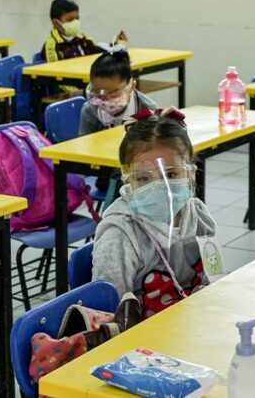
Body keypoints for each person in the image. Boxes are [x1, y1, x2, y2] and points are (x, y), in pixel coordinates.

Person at [91, 109, 218, 318]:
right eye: (143, 178)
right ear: (128, 181)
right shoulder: (121, 233)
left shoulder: (198, 214)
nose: (161, 187)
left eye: (171, 174)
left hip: (194, 324)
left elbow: (214, 276)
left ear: (191, 173)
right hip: (142, 337)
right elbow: (110, 311)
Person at [42, 0, 127, 93]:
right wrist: (81, 92)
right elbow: (55, 76)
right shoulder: (52, 46)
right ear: (56, 23)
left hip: (87, 87)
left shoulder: (82, 39)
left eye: (77, 18)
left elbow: (101, 53)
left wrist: (117, 44)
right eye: (70, 20)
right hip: (67, 92)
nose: (75, 23)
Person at [80, 49, 159, 136]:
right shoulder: (90, 111)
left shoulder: (148, 110)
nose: (106, 100)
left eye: (114, 94)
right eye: (99, 94)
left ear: (131, 87)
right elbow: (86, 145)